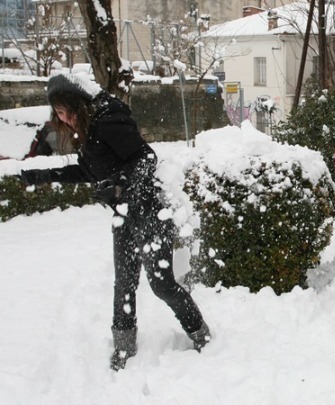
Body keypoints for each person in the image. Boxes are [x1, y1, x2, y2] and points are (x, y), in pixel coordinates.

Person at [18, 73, 211, 370]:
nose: (62, 119)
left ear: (74, 104)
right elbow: (88, 172)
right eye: (56, 114)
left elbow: (145, 158)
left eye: (61, 111)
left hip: (150, 210)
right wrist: (45, 175)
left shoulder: (107, 121)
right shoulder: (88, 130)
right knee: (124, 284)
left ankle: (200, 333)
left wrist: (120, 185)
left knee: (162, 285)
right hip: (124, 214)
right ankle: (123, 345)